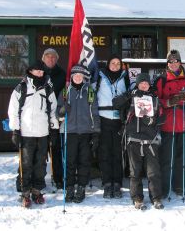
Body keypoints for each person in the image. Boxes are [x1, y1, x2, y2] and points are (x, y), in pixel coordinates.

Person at [8, 60, 59, 208]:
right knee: (26, 164)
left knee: (40, 164)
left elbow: (53, 111)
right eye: (37, 71)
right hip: (26, 132)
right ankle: (25, 192)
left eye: (42, 72)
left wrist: (54, 130)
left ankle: (37, 190)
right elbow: (13, 111)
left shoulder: (48, 89)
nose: (40, 74)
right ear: (30, 71)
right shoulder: (21, 87)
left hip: (43, 133)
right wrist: (15, 130)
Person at [113, 73, 164, 210]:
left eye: (146, 83)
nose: (144, 85)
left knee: (153, 172)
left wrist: (153, 120)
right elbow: (115, 103)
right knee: (135, 172)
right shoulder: (131, 96)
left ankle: (156, 198)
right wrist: (130, 94)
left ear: (149, 85)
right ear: (137, 84)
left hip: (150, 140)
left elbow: (162, 118)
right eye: (141, 83)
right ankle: (137, 198)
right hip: (133, 139)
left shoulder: (155, 98)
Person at [154, 50, 185, 198]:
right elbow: (155, 101)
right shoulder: (161, 80)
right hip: (168, 124)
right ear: (167, 64)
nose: (173, 64)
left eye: (176, 61)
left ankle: (179, 185)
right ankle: (164, 187)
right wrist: (168, 102)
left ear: (180, 62)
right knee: (167, 157)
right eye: (170, 61)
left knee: (182, 157)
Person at [57, 65, 100, 203]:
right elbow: (58, 112)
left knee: (84, 161)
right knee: (70, 162)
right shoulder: (65, 92)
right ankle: (69, 187)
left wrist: (96, 132)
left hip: (86, 132)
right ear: (72, 76)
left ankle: (81, 187)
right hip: (69, 132)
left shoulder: (90, 92)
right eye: (75, 75)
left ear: (84, 77)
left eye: (80, 76)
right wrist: (62, 111)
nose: (78, 77)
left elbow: (94, 113)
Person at [96, 55, 130, 198]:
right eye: (113, 63)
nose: (115, 65)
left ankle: (117, 182)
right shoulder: (100, 76)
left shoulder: (125, 77)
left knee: (118, 152)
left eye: (118, 63)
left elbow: (129, 96)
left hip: (119, 120)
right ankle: (107, 182)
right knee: (105, 152)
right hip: (103, 118)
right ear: (108, 64)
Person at [42, 48, 66, 190]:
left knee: (56, 149)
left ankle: (58, 178)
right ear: (43, 58)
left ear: (56, 59)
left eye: (53, 57)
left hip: (55, 115)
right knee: (39, 150)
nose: (50, 59)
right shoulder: (38, 72)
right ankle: (36, 178)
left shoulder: (62, 74)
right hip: (38, 116)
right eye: (48, 57)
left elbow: (64, 93)